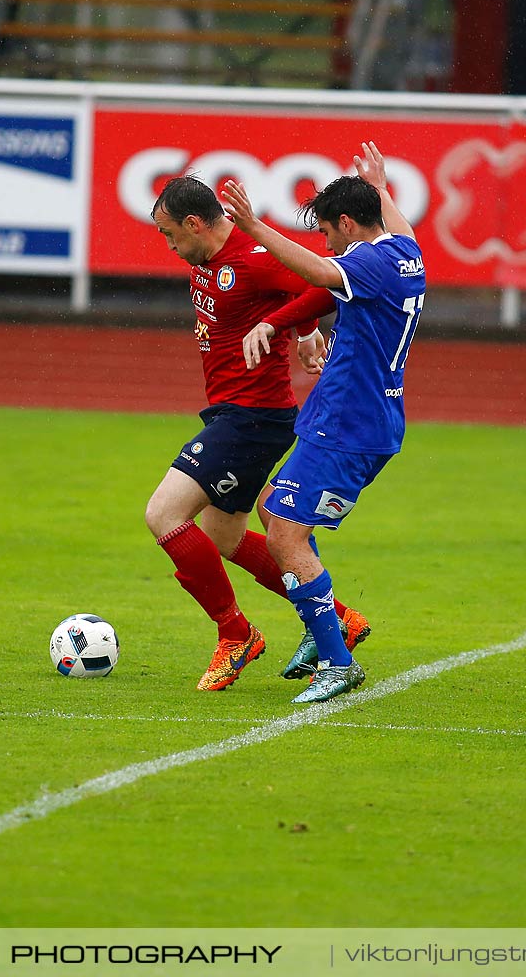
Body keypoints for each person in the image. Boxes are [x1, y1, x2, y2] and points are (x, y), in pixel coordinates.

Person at [143, 175, 369, 692]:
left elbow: (323, 287)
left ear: (195, 223)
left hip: (252, 417)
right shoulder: (208, 258)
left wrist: (308, 332)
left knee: (163, 513)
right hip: (234, 413)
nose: (171, 247)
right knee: (224, 535)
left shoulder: (252, 258)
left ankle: (235, 633)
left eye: (170, 235)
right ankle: (339, 618)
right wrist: (304, 334)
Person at [222, 142, 424, 704]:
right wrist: (381, 185)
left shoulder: (369, 261)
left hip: (348, 426)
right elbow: (392, 226)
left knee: (284, 533)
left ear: (347, 224)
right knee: (272, 512)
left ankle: (336, 662)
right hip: (357, 420)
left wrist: (253, 226)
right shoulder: (407, 253)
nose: (326, 243)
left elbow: (312, 270)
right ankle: (323, 629)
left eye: (328, 231)